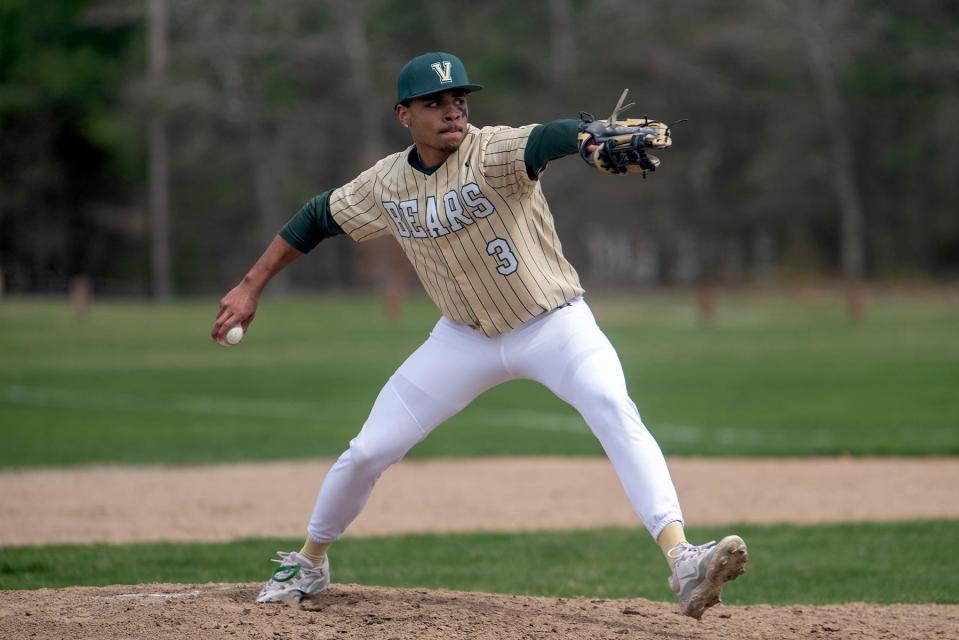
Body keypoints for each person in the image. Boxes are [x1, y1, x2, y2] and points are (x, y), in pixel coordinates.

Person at [211, 52, 747, 620]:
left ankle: (683, 558)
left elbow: (544, 140)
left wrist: (588, 139)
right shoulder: (387, 183)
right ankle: (310, 561)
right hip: (462, 339)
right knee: (368, 450)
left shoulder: (491, 151)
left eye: (459, 100)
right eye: (435, 102)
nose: (452, 111)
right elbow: (315, 219)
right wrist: (251, 286)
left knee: (612, 405)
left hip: (553, 323)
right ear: (403, 114)